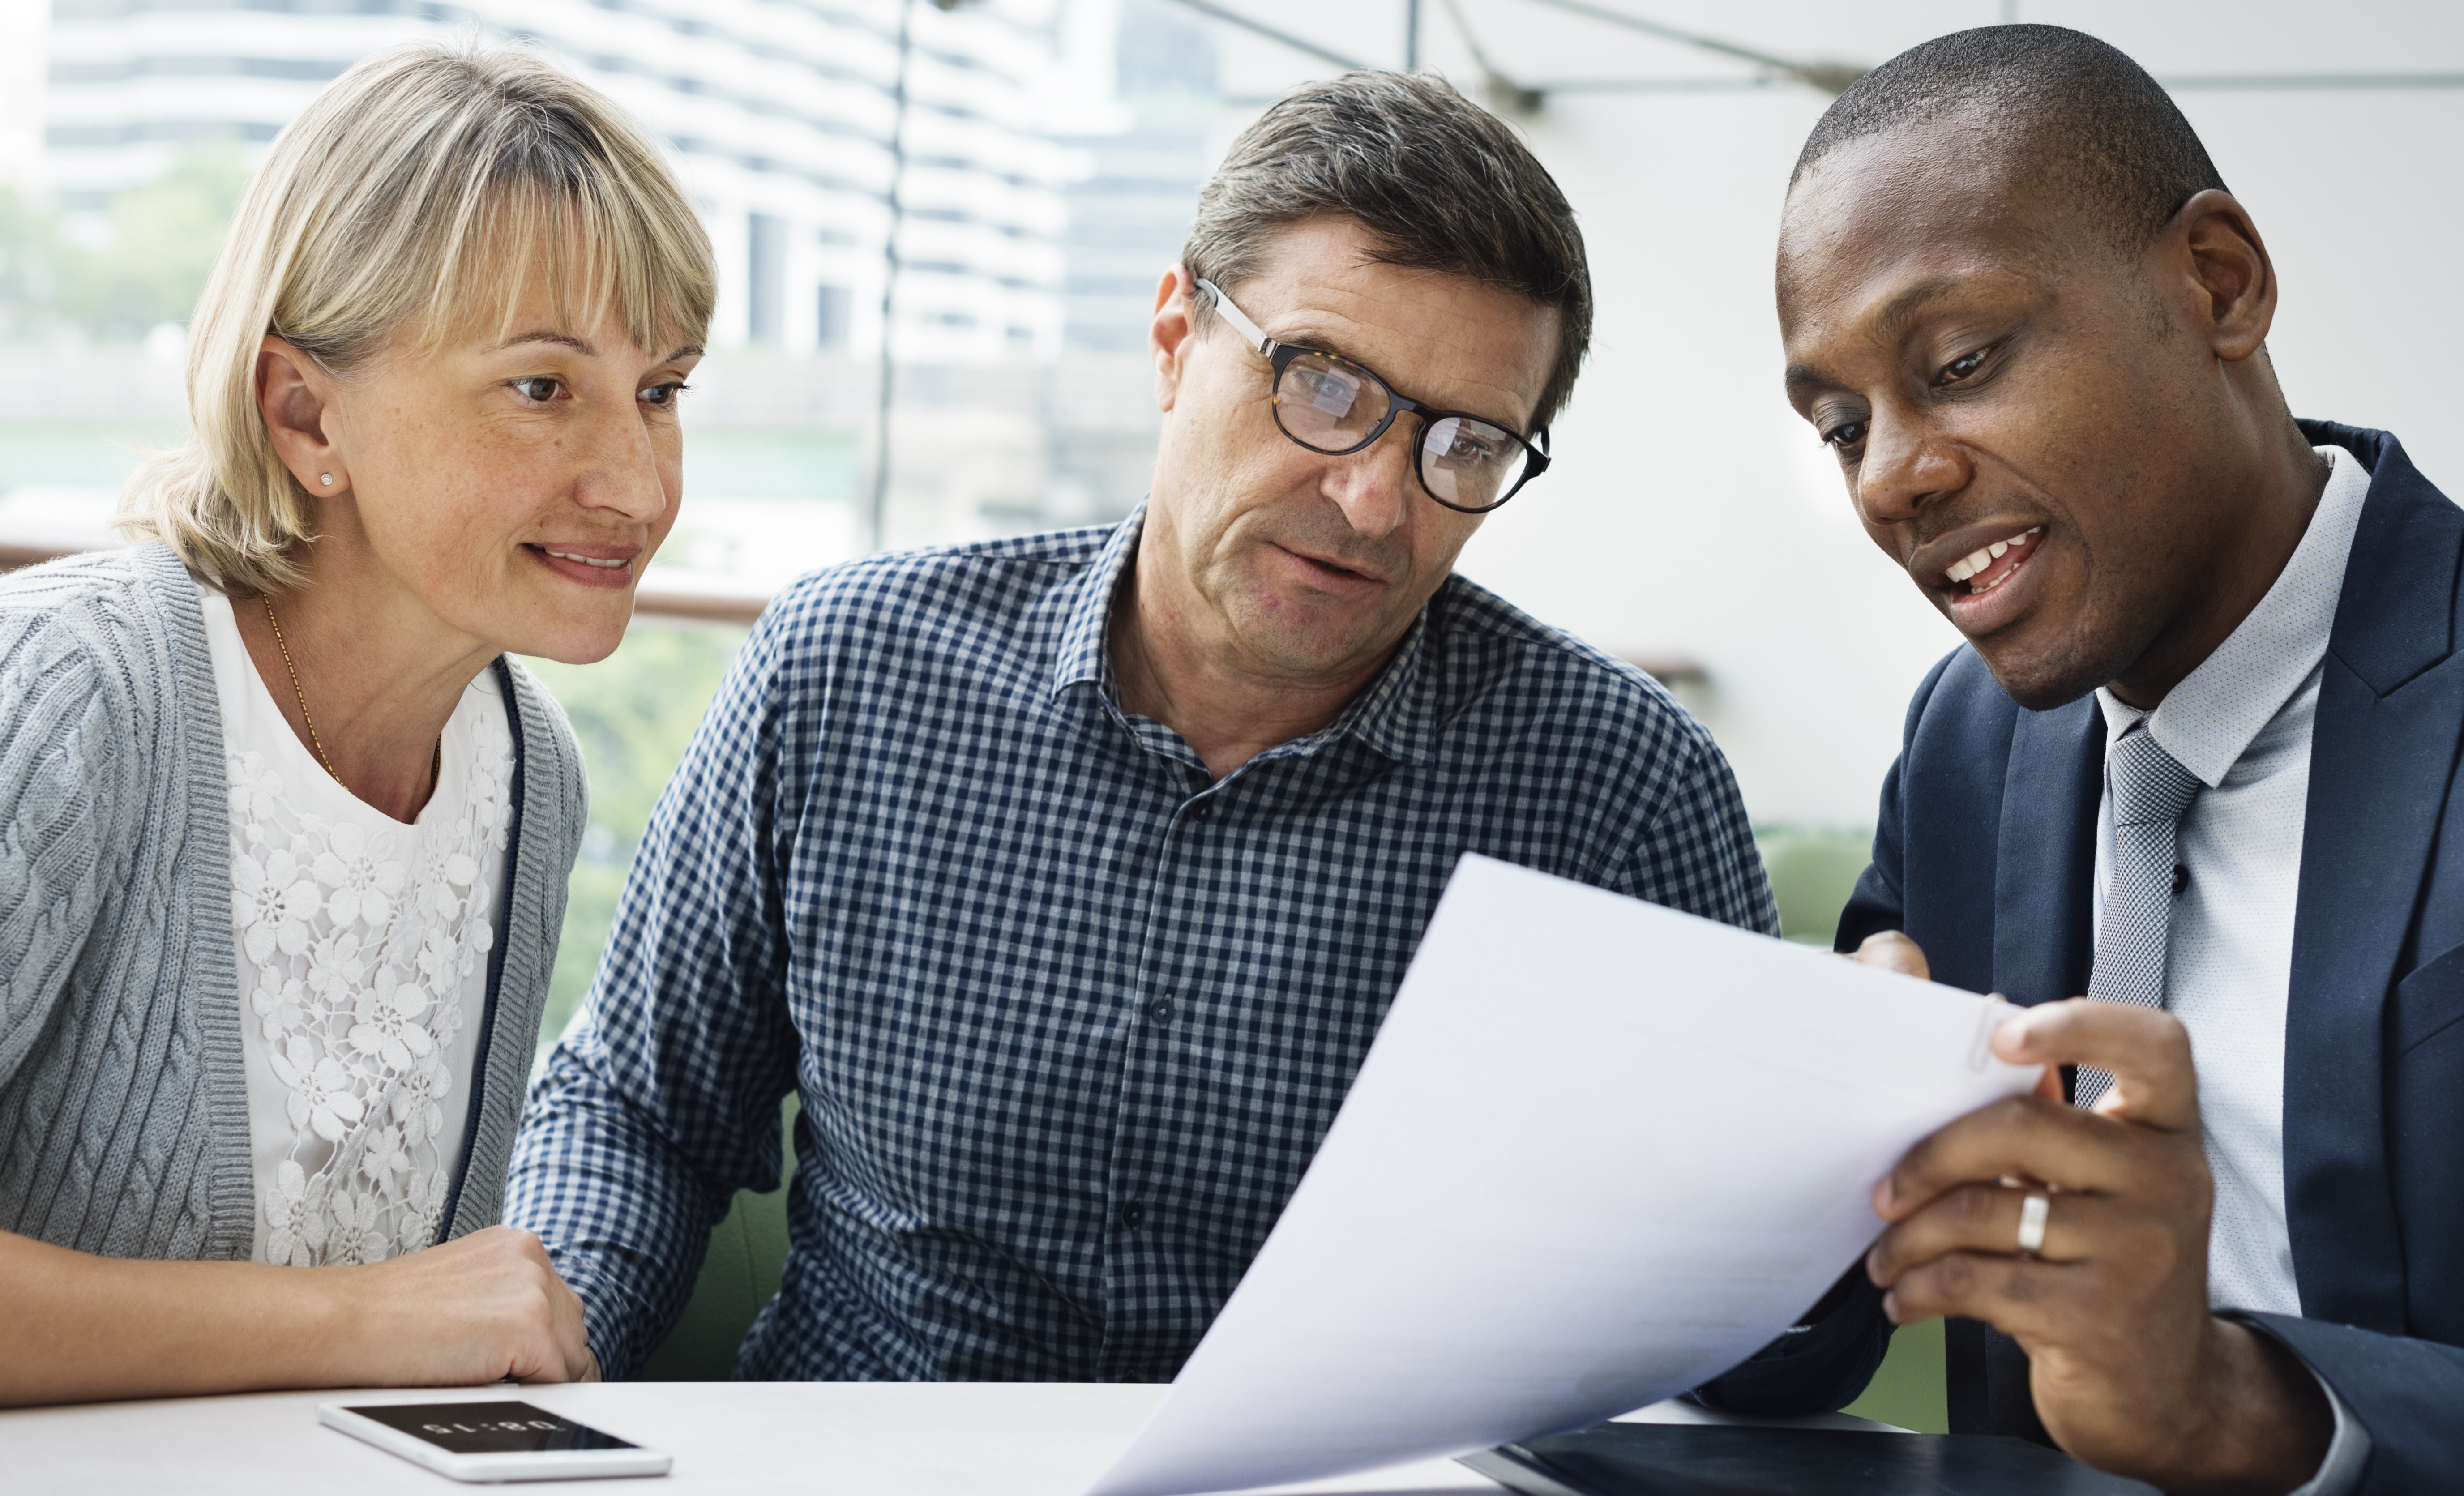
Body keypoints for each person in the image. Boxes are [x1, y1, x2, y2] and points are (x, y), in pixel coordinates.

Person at [1698, 24, 2464, 1496]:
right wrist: (1764, 1165)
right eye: (1838, 426)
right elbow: (1811, 1337)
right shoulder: (1967, 748)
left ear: (2218, 285)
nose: (1892, 478)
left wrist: (2241, 1408)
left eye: (1957, 363)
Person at [504, 71, 1777, 1384]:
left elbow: (1744, 1323)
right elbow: (637, 1112)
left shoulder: (1619, 789)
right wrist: (537, 1359)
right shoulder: (847, 668)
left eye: (1462, 447)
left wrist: (1833, 1179)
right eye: (1325, 386)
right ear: (1176, 336)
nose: (1373, 500)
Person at [0, 41, 715, 1405]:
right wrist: (356, 1323)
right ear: (305, 412)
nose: (634, 481)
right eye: (541, 387)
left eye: (663, 390)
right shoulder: (75, 697)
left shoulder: (527, 772)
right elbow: (397, 1322)